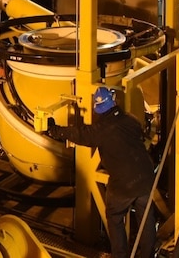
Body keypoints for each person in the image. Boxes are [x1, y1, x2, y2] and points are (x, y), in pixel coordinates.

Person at [47, 86, 157, 258]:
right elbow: (140, 134)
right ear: (113, 101)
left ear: (97, 109)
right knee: (146, 219)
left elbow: (79, 134)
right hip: (146, 175)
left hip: (124, 184)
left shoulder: (100, 131)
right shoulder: (130, 119)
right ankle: (148, 255)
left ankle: (120, 255)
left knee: (114, 217)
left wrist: (55, 130)